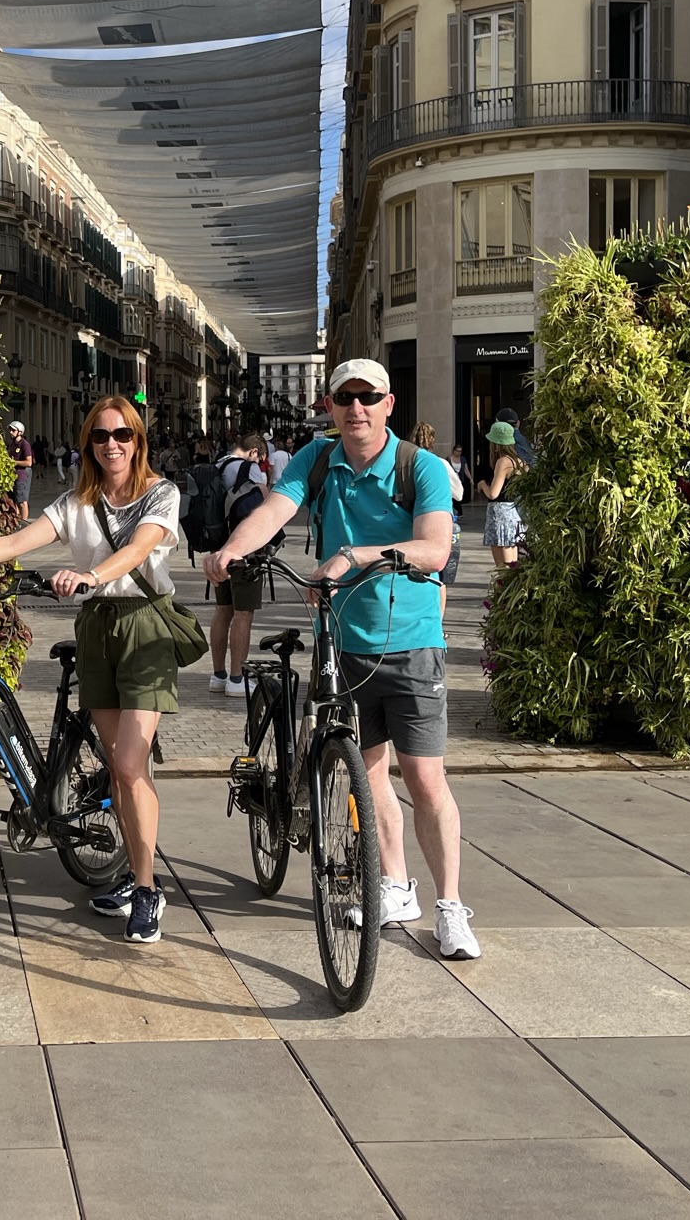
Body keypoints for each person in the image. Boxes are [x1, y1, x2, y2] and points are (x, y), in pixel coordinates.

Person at [206, 357, 480, 961]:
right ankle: (394, 886)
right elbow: (275, 511)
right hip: (343, 643)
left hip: (411, 642)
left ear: (388, 404)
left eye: (369, 397)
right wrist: (230, 549)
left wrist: (354, 555)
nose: (356, 408)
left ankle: (450, 906)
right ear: (329, 406)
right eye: (345, 397)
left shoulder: (422, 468)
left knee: (425, 777)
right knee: (369, 772)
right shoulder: (318, 460)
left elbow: (434, 548)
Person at [0, 395, 182, 946]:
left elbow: (139, 549)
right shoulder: (76, 502)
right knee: (116, 763)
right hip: (98, 631)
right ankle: (131, 875)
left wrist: (91, 575)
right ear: (88, 445)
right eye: (100, 436)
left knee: (130, 765)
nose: (111, 445)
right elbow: (17, 542)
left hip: (146, 627)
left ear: (138, 440)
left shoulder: (161, 493)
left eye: (122, 435)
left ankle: (148, 888)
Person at [208, 436, 269, 697]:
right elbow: (266, 505)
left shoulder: (217, 466)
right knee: (244, 614)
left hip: (218, 551)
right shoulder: (248, 468)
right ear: (254, 451)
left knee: (223, 610)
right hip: (246, 552)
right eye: (261, 460)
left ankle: (218, 675)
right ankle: (236, 678)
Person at [412, 422, 464, 619]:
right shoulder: (438, 463)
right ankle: (437, 624)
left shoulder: (400, 461)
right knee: (439, 577)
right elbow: (459, 493)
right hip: (439, 526)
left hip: (407, 524)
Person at [478, 421, 527, 568]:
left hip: (500, 514)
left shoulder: (503, 462)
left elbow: (493, 493)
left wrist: (482, 485)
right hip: (513, 512)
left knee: (503, 569)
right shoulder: (520, 462)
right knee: (512, 565)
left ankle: (502, 591)